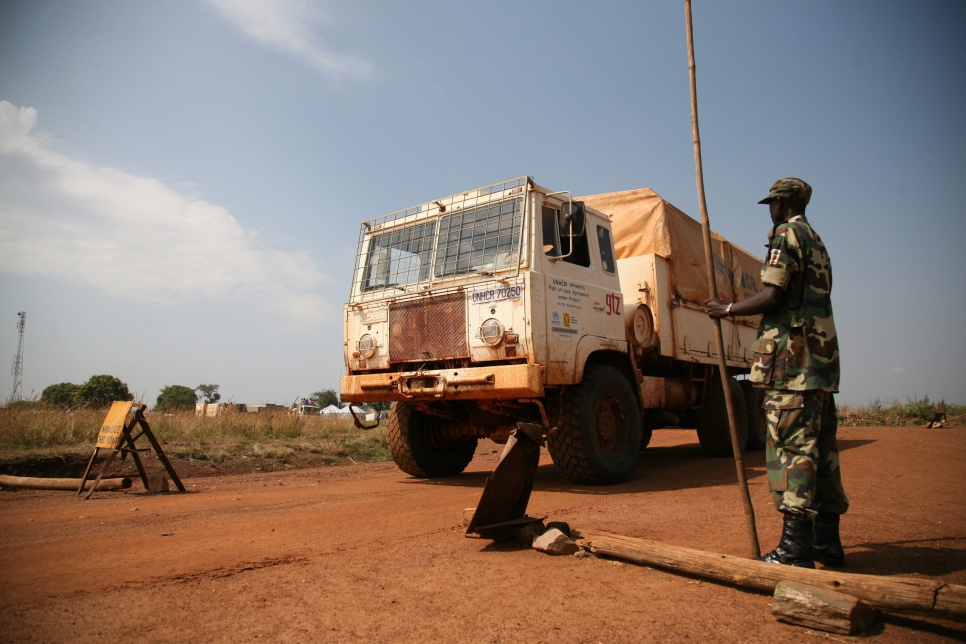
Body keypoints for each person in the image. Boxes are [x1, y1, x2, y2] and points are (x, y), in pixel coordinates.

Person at [706, 177, 849, 568]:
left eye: (772, 203)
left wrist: (728, 309)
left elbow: (773, 295)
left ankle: (795, 550)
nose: (769, 210)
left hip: (791, 364)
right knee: (823, 453)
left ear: (782, 203)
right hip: (820, 364)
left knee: (791, 451)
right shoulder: (816, 241)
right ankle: (827, 543)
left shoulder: (786, 234)